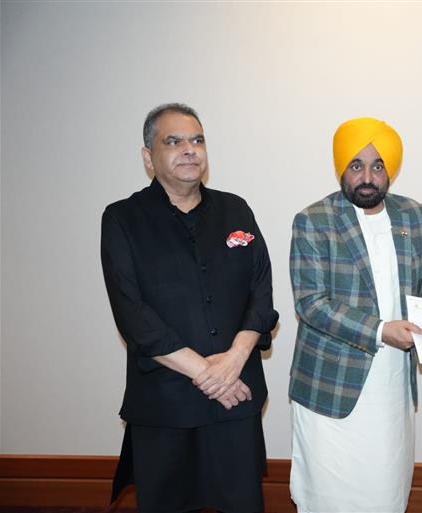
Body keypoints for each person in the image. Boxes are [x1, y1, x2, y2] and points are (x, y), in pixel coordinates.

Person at [288, 117, 422, 513]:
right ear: (341, 167)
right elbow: (311, 303)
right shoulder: (314, 220)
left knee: (385, 489)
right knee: (328, 492)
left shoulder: (413, 214)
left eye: (378, 166)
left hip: (392, 382)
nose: (368, 177)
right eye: (356, 165)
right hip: (332, 382)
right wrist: (379, 330)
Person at [101, 103, 279, 513]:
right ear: (149, 157)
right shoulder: (123, 219)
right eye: (174, 141)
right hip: (166, 401)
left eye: (197, 140)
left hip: (237, 396)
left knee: (241, 503)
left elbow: (261, 292)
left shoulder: (236, 209)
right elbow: (133, 314)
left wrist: (234, 360)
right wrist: (210, 374)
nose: (189, 149)